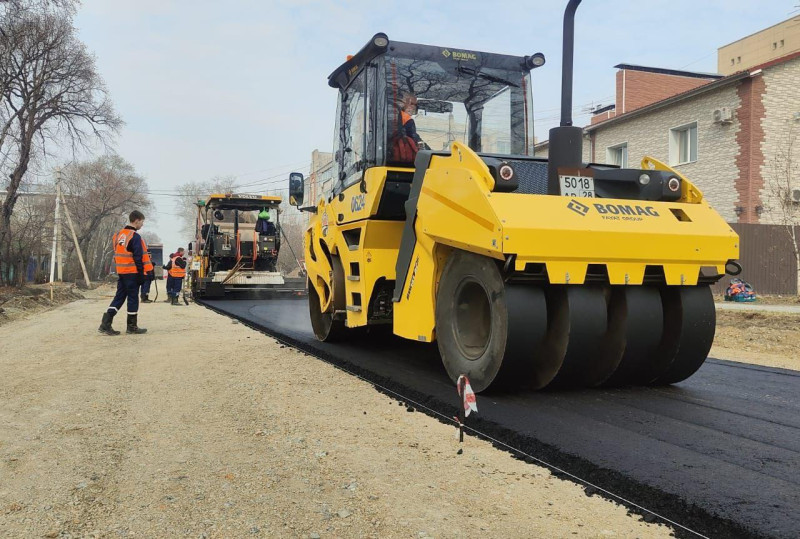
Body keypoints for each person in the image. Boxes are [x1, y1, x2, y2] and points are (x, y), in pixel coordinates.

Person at [98, 210, 148, 335]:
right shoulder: (134, 236)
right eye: (142, 222)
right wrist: (141, 274)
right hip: (132, 272)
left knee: (119, 297)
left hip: (121, 272)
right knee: (133, 299)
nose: (142, 225)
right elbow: (137, 257)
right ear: (136, 220)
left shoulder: (118, 235)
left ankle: (105, 324)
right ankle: (131, 327)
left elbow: (118, 253)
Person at [139, 238, 156, 303]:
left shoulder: (144, 257)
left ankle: (145, 298)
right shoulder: (146, 258)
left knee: (145, 287)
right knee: (145, 287)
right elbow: (147, 266)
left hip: (145, 275)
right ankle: (144, 298)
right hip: (146, 275)